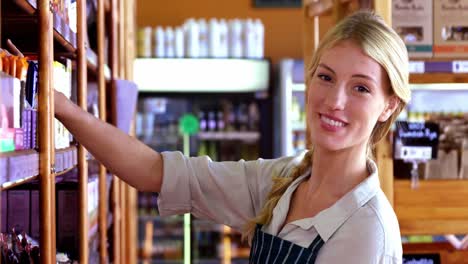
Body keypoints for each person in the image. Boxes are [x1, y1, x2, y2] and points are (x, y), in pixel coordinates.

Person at [54, 10, 410, 263]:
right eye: (326, 77)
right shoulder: (283, 180)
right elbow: (152, 171)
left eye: (361, 88)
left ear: (388, 106)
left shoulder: (368, 231)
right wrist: (62, 108)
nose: (334, 101)